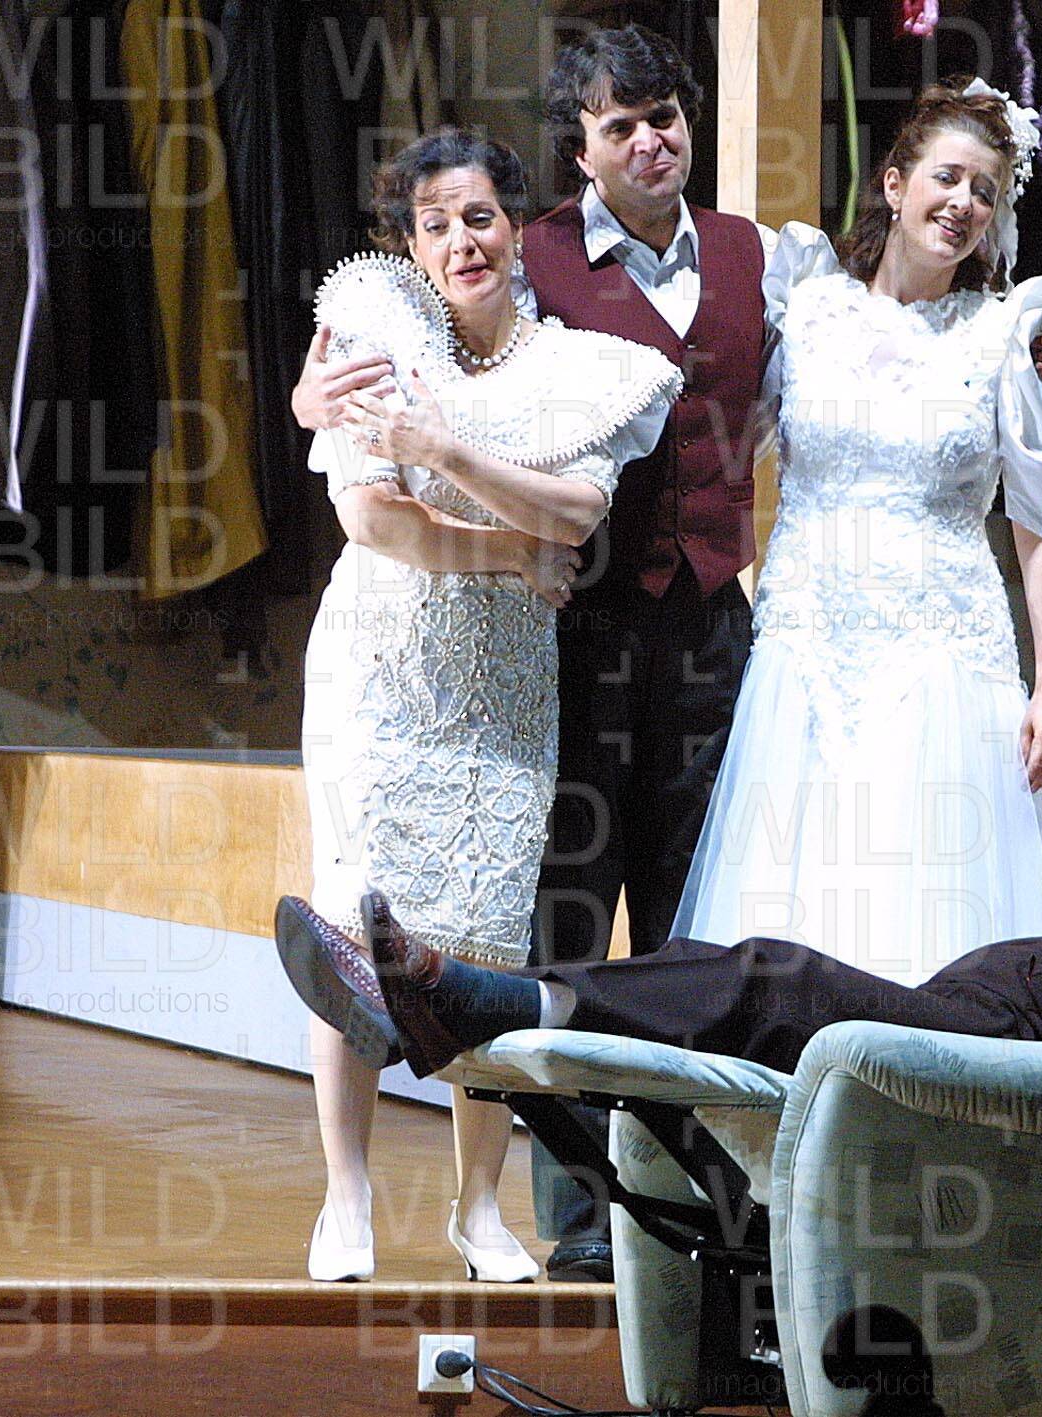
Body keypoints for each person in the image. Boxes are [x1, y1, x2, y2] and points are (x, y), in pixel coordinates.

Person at [293, 28, 1042, 1283]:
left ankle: (692, 1204)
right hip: (569, 628)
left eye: (665, 118)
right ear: (581, 148)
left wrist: (1023, 344)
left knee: (689, 919)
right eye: (620, 125)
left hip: (713, 627)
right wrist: (312, 395)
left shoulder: (765, 261)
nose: (650, 141)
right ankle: (575, 1210)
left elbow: (889, 328)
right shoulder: (529, 254)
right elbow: (412, 332)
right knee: (560, 910)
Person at [294, 128, 680, 1283]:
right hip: (381, 668)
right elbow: (372, 518)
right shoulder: (373, 332)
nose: (460, 241)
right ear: (407, 244)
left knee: (482, 937)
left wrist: (445, 450)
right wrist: (508, 550)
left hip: (506, 682)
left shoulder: (575, 368)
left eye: (477, 217)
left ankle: (478, 1207)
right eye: (434, 224)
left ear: (515, 226)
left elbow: (576, 511)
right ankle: (346, 1194)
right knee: (354, 921)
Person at [670, 77, 1042, 983]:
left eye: (986, 191)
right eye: (948, 177)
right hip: (807, 662)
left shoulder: (1007, 337)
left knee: (928, 921)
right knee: (789, 916)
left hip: (942, 663)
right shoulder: (805, 305)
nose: (965, 203)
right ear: (895, 184)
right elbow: (724, 427)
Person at [276, 869, 1042, 1168]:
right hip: (1024, 993)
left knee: (777, 988)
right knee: (735, 990)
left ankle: (459, 997)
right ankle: (456, 1010)